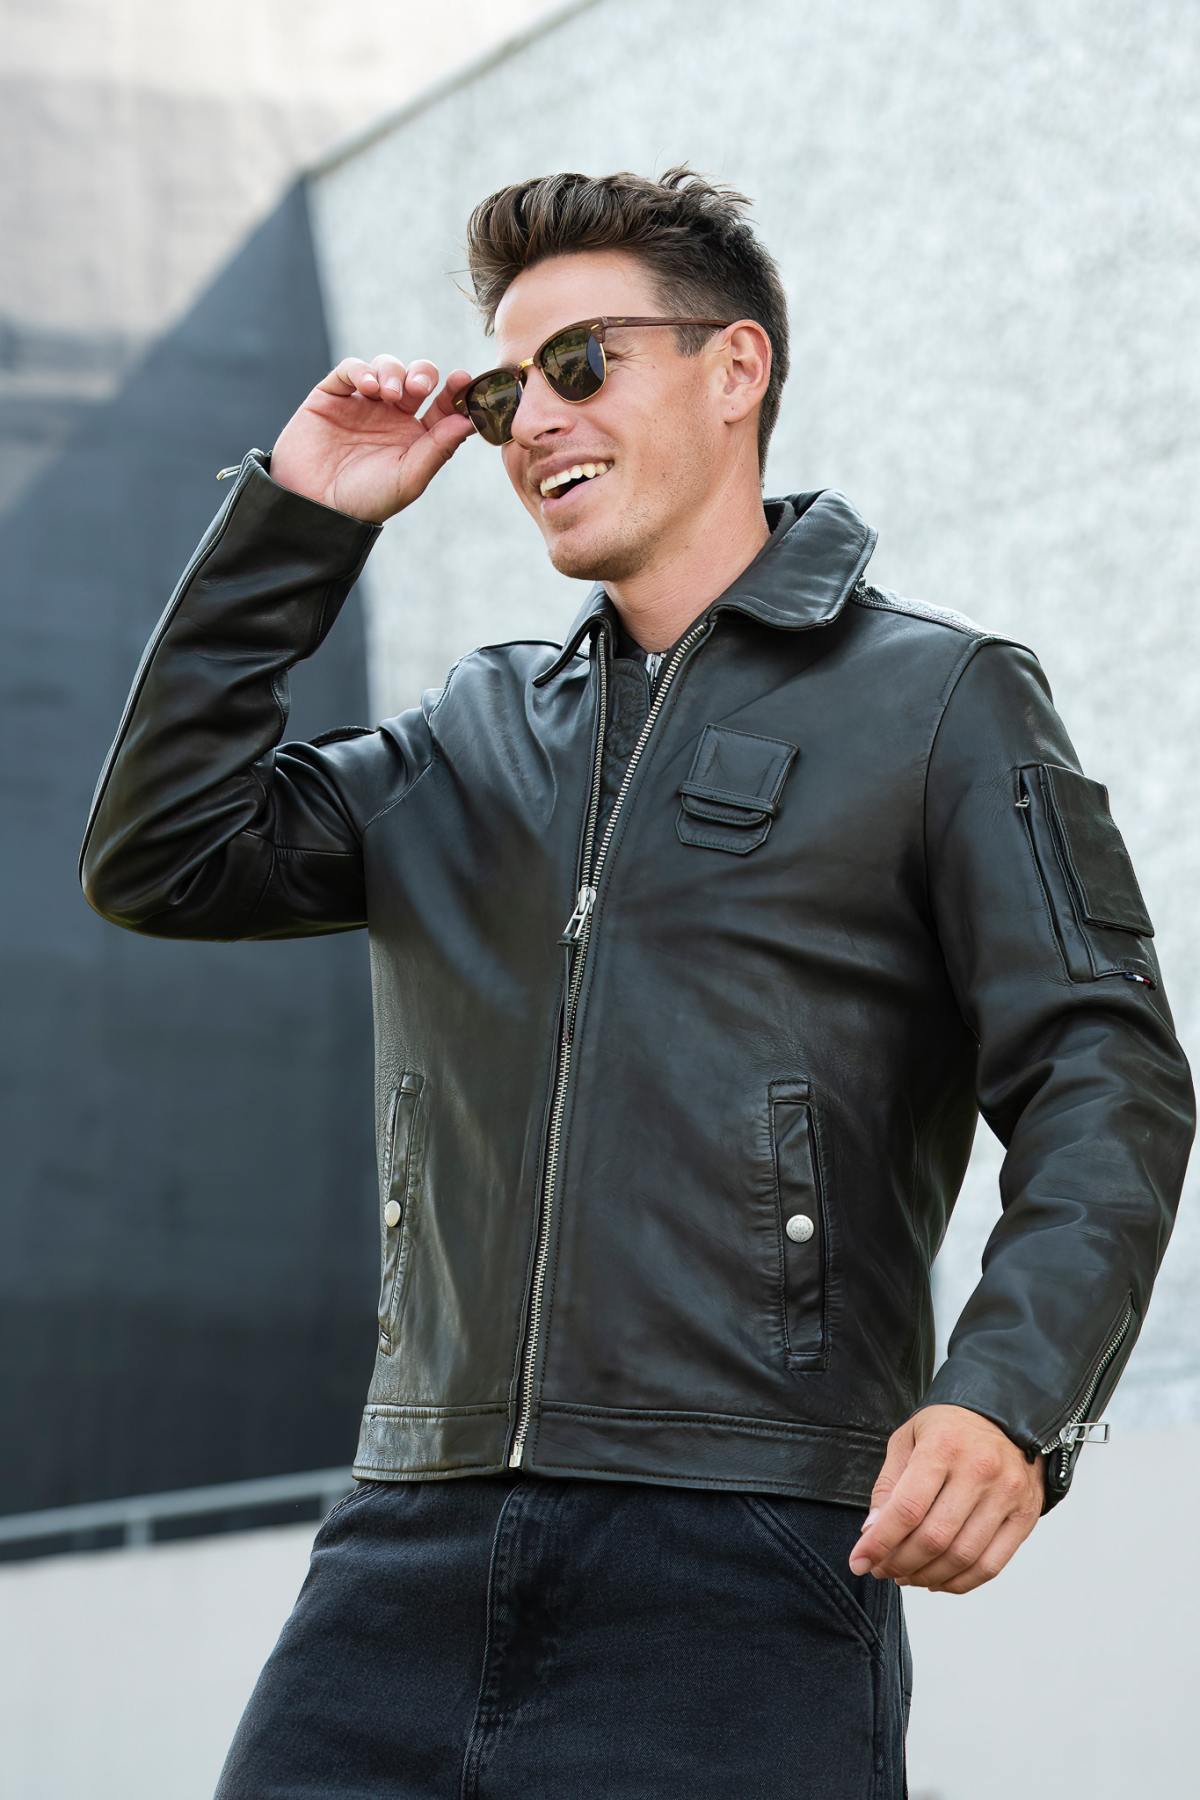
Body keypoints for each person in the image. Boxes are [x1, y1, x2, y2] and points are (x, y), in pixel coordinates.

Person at [78, 166, 1195, 1798]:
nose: (532, 420)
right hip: (405, 1547)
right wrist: (301, 521)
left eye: (579, 362)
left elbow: (1107, 1073)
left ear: (734, 369)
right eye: (500, 392)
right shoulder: (470, 735)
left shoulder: (941, 703)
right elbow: (164, 857)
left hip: (743, 1555)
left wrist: (1010, 1400)